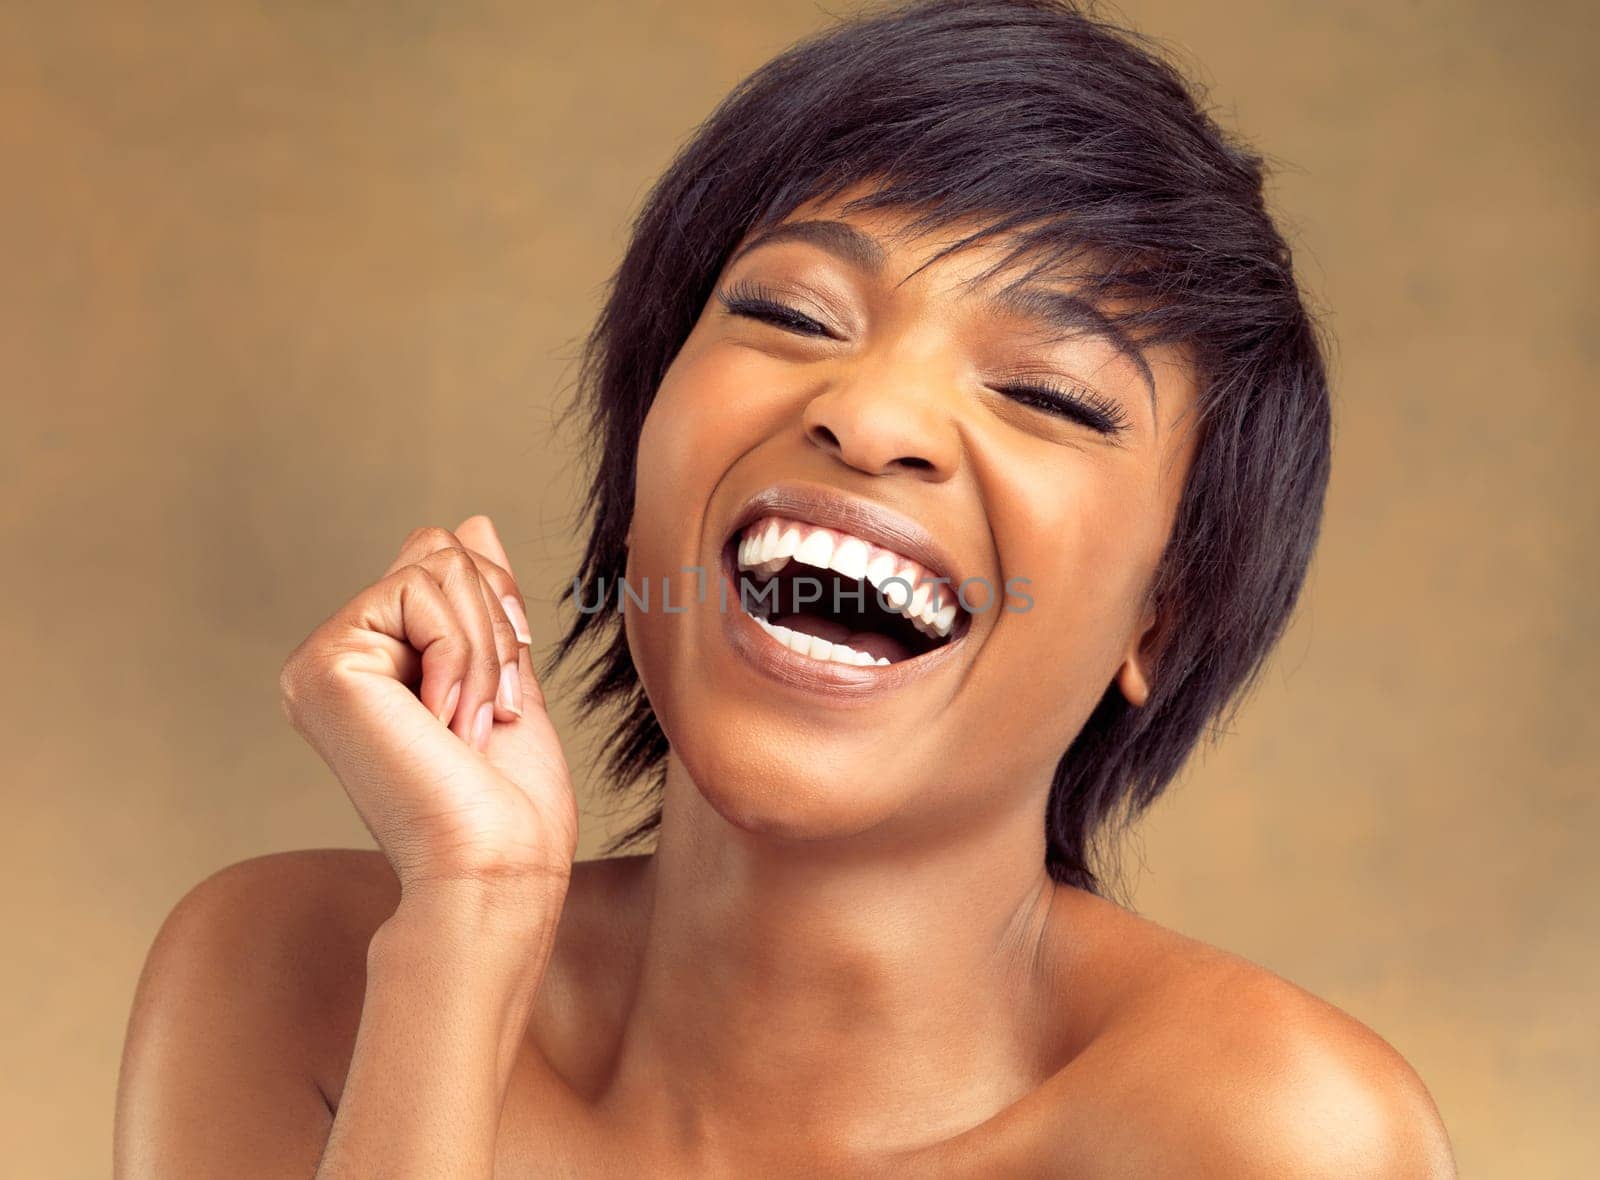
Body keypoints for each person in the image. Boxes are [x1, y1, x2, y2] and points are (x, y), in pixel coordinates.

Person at [114, 1, 1457, 1174]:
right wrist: (463, 929)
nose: (872, 418)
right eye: (792, 314)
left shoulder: (1270, 1137)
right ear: (643, 450)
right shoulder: (287, 978)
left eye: (1044, 391)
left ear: (1161, 615)